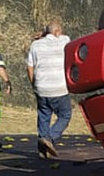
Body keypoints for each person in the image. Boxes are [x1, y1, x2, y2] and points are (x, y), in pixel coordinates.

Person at [27, 22, 72, 158]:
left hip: (41, 86)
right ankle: (50, 138)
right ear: (58, 32)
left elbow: (30, 67)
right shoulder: (65, 41)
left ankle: (42, 149)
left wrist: (34, 85)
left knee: (43, 116)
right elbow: (62, 36)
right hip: (59, 87)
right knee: (65, 115)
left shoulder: (35, 45)